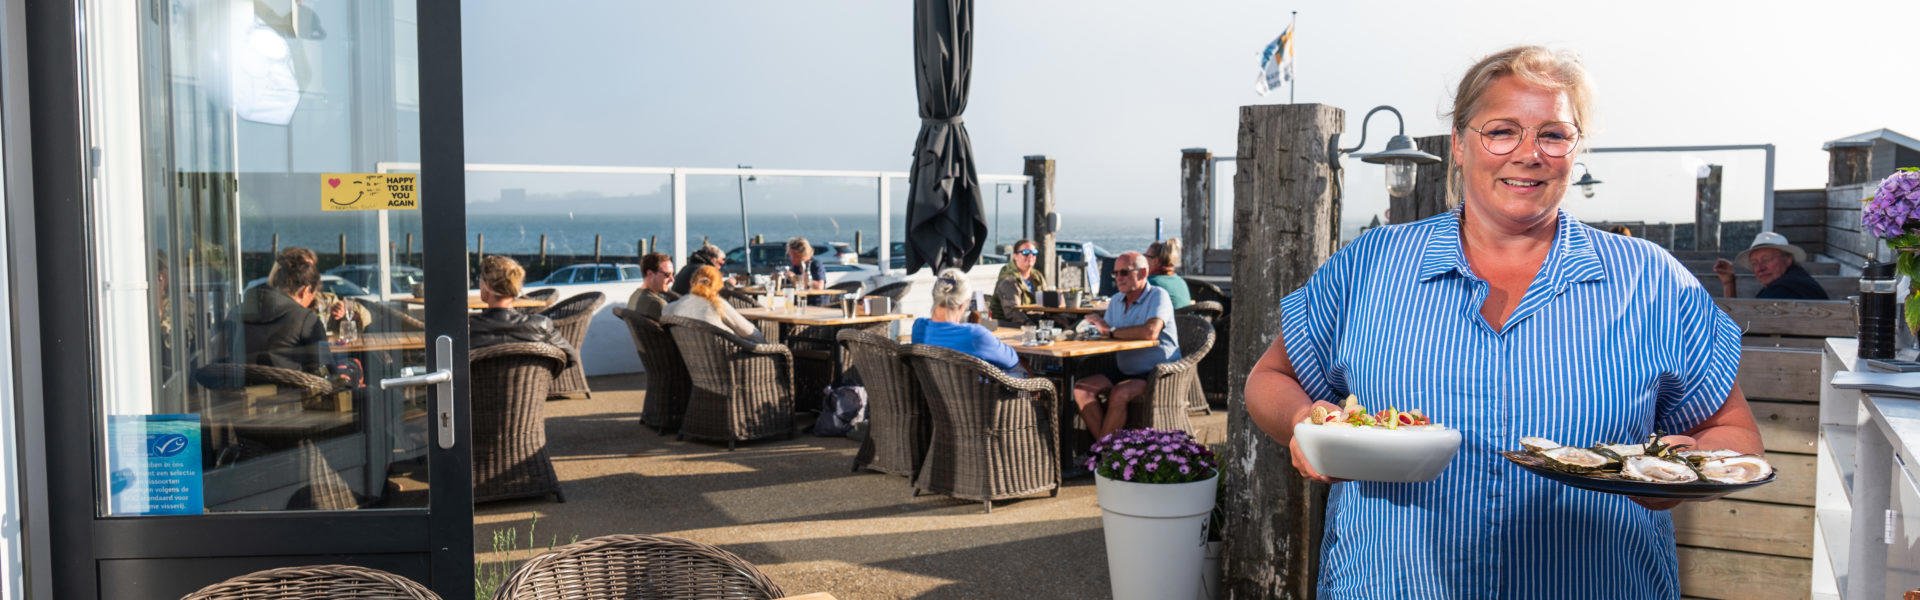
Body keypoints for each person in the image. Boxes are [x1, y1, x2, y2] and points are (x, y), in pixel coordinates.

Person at [1242, 46, 1761, 599]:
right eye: (1502, 131)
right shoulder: (1372, 264)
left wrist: (1685, 471)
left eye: (1553, 135)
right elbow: (1270, 378)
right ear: (1460, 144)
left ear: (1576, 149)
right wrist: (1304, 422)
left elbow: (1734, 432)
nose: (1528, 154)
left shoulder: (1650, 279)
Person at [1073, 252, 1179, 441]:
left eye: (1124, 272)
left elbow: (1150, 332)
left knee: (1119, 392)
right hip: (1125, 368)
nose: (1118, 278)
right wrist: (1090, 332)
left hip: (1157, 371)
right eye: (1115, 273)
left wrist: (1110, 331)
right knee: (1082, 389)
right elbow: (1107, 334)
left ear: (1143, 272)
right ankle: (1106, 449)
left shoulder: (1158, 296)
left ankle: (1103, 452)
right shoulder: (1116, 300)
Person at [470, 255, 580, 368]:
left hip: (480, 380)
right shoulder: (541, 325)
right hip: (534, 380)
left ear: (487, 286)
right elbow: (572, 357)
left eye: (480, 280)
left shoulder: (470, 327)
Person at [238, 247, 334, 375]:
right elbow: (325, 372)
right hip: (290, 387)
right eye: (312, 297)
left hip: (242, 386)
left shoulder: (236, 313)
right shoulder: (306, 319)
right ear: (305, 291)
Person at [913, 268, 1024, 376]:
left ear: (935, 295)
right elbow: (1012, 360)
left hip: (933, 388)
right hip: (980, 388)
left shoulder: (919, 327)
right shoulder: (974, 334)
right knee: (1022, 369)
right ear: (964, 304)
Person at [664, 264, 765, 343]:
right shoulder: (717, 304)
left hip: (687, 361)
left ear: (691, 283)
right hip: (729, 359)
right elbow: (754, 336)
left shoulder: (668, 309)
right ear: (718, 287)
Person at [1712, 232, 1828, 299]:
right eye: (1754, 263)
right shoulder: (1796, 280)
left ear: (1788, 259)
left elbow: (1737, 330)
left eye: (1766, 260)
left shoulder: (1781, 291)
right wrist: (1729, 282)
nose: (1760, 268)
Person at [992, 239, 1047, 325]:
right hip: (1008, 325)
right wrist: (1034, 327)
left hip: (1033, 320)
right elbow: (1013, 313)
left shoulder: (1037, 276)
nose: (1030, 256)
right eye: (1025, 252)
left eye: (1034, 253)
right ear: (1015, 256)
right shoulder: (1008, 279)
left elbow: (1047, 304)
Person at [626, 252, 679, 319]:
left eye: (673, 274)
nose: (672, 280)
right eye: (667, 275)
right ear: (650, 274)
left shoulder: (634, 297)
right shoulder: (658, 304)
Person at [1144, 238, 1193, 309]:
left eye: (1146, 256)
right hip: (1186, 316)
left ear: (1156, 261)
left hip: (1169, 316)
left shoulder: (1151, 282)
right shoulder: (1180, 281)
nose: (1144, 259)